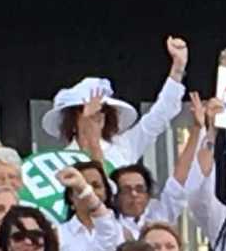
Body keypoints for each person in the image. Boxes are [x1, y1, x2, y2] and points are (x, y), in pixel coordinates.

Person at [41, 37, 191, 171]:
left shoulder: (124, 147)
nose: (97, 116)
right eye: (88, 110)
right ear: (73, 119)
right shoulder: (60, 162)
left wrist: (177, 69)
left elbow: (159, 116)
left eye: (103, 110)